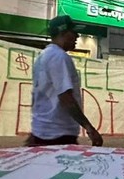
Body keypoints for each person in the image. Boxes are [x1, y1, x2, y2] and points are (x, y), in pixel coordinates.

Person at [28, 14, 104, 147]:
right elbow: (66, 98)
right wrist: (89, 128)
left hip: (43, 132)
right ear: (63, 33)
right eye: (73, 32)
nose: (77, 36)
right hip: (58, 136)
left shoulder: (43, 56)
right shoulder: (59, 57)